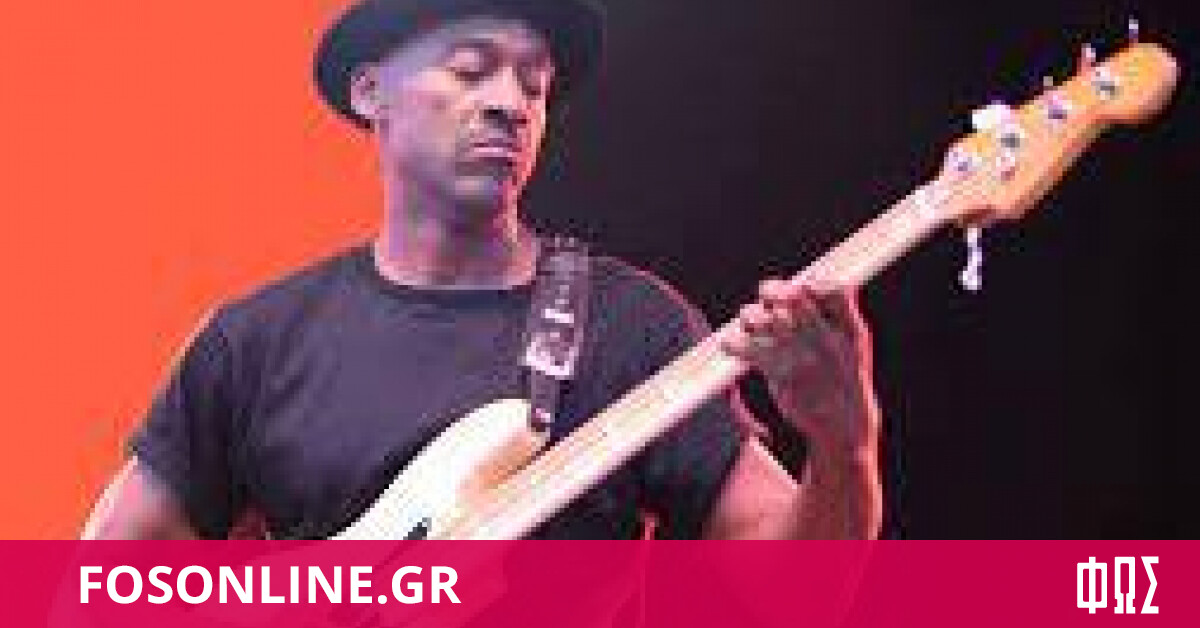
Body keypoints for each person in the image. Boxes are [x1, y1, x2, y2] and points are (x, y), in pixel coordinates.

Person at [81, 0, 882, 540]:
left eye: (534, 85)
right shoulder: (255, 341)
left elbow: (799, 594)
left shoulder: (631, 326)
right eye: (470, 69)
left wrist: (844, 449)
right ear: (371, 92)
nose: (510, 103)